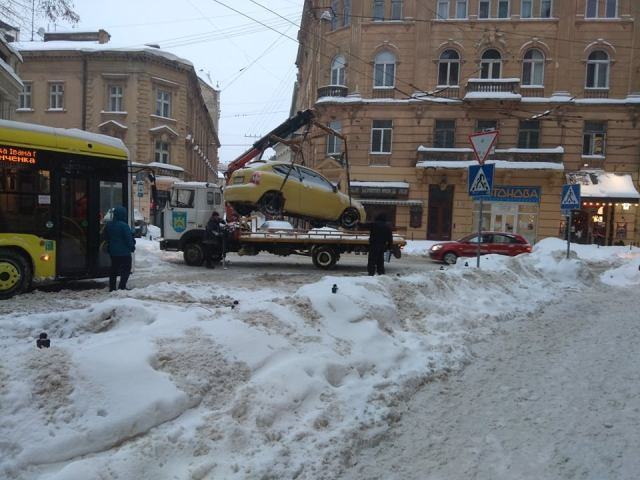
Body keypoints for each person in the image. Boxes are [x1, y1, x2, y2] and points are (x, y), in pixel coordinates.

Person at [103, 206, 135, 291]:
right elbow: (129, 239)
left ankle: (112, 288)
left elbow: (105, 237)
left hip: (113, 252)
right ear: (122, 215)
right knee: (126, 269)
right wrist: (132, 247)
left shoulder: (109, 225)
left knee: (114, 269)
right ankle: (122, 286)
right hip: (124, 252)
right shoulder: (124, 226)